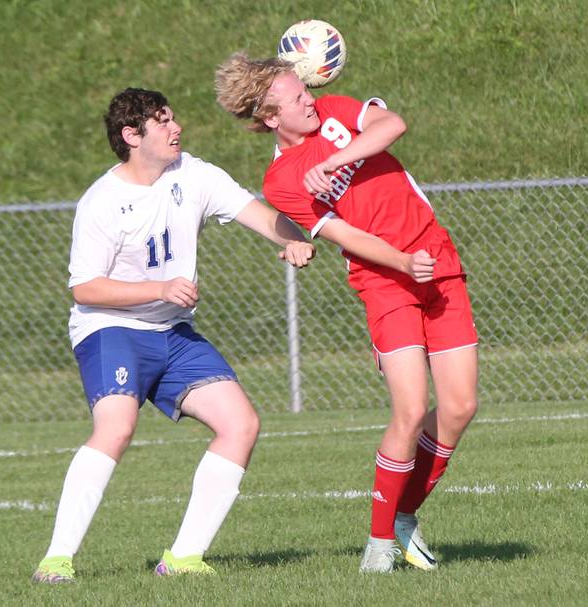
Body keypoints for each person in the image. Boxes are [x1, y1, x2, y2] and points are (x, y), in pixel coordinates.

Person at [31, 87, 315, 583]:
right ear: (131, 135)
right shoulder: (101, 202)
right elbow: (85, 289)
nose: (175, 128)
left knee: (240, 424)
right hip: (110, 329)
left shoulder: (195, 174)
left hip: (172, 331)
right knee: (116, 427)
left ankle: (183, 559)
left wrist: (293, 240)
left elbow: (259, 214)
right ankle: (56, 560)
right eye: (162, 122)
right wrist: (158, 287)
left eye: (172, 118)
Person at [215, 54, 479, 573]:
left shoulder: (334, 112)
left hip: (438, 260)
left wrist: (335, 160)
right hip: (385, 281)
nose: (310, 100)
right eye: (296, 99)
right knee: (410, 409)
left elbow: (392, 124)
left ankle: (403, 516)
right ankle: (380, 546)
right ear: (271, 118)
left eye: (305, 92)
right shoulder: (281, 180)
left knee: (460, 406)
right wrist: (403, 262)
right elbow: (345, 236)